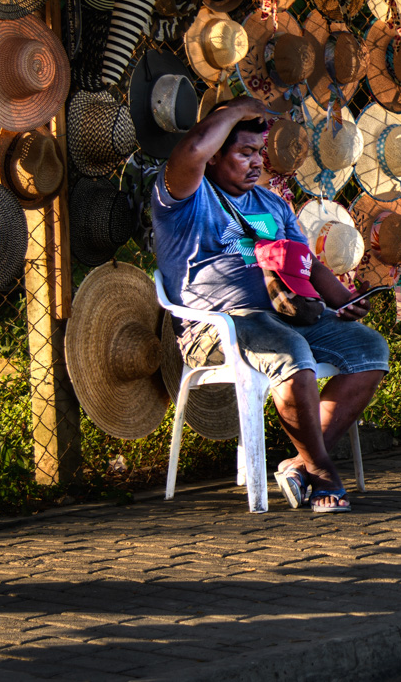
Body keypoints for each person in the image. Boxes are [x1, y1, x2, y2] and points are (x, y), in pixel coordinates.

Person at [152, 96, 386, 512]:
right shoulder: (186, 197)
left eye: (258, 152)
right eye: (244, 152)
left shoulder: (272, 204)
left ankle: (302, 463)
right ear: (214, 154)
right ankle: (323, 474)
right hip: (218, 324)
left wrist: (344, 301)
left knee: (369, 350)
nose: (257, 162)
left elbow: (306, 263)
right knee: (290, 353)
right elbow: (190, 150)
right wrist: (238, 109)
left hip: (285, 313)